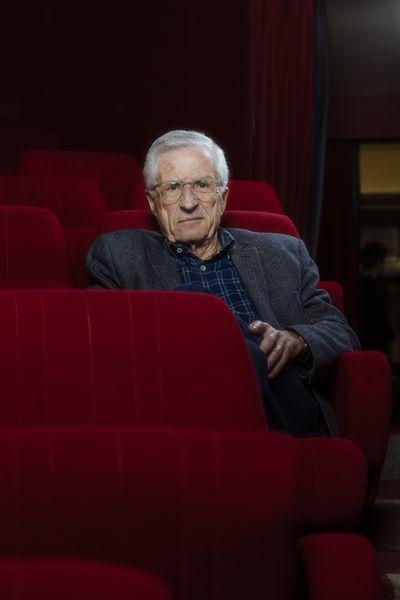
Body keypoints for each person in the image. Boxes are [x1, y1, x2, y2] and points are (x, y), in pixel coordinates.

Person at [86, 130, 360, 436]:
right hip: (180, 410)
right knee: (190, 304)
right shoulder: (118, 254)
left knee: (219, 325)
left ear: (223, 196)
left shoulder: (283, 253)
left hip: (280, 406)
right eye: (173, 187)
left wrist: (294, 340)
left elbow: (339, 332)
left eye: (202, 185)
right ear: (153, 202)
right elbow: (101, 344)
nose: (188, 202)